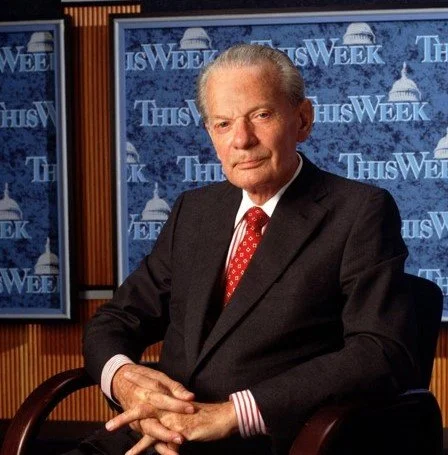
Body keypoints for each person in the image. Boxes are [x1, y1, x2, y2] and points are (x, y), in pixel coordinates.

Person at [78, 43, 418, 455]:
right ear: (211, 134)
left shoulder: (359, 212)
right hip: (151, 436)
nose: (242, 139)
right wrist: (124, 380)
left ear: (303, 119)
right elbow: (116, 319)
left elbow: (379, 351)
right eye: (223, 123)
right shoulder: (195, 211)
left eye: (261, 115)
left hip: (265, 441)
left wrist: (233, 413)